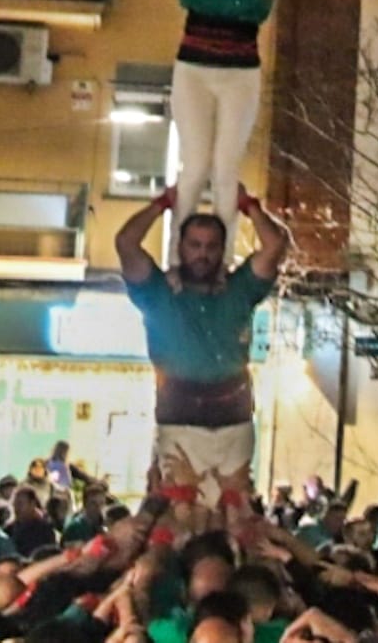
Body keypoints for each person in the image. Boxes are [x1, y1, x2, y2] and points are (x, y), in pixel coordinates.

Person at [117, 179, 291, 538]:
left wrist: (249, 205)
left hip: (233, 413)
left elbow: (275, 245)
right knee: (182, 514)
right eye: (194, 245)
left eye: (212, 246)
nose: (203, 253)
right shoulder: (159, 292)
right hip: (180, 414)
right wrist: (162, 203)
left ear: (223, 250)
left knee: (235, 513)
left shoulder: (240, 289)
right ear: (180, 247)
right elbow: (125, 242)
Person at [169, 0, 289, 250]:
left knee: (226, 169)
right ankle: (177, 256)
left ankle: (220, 261)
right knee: (195, 167)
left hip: (240, 72)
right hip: (194, 70)